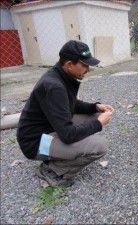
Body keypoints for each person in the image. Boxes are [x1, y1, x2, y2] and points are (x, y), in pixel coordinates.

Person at [17, 40, 114, 187]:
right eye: (85, 65)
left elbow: (71, 105)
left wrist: (96, 107)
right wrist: (99, 124)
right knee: (100, 146)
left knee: (94, 115)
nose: (88, 69)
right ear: (69, 65)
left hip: (49, 129)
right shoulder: (54, 86)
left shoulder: (61, 76)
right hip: (36, 142)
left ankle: (60, 155)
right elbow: (67, 135)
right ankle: (52, 169)